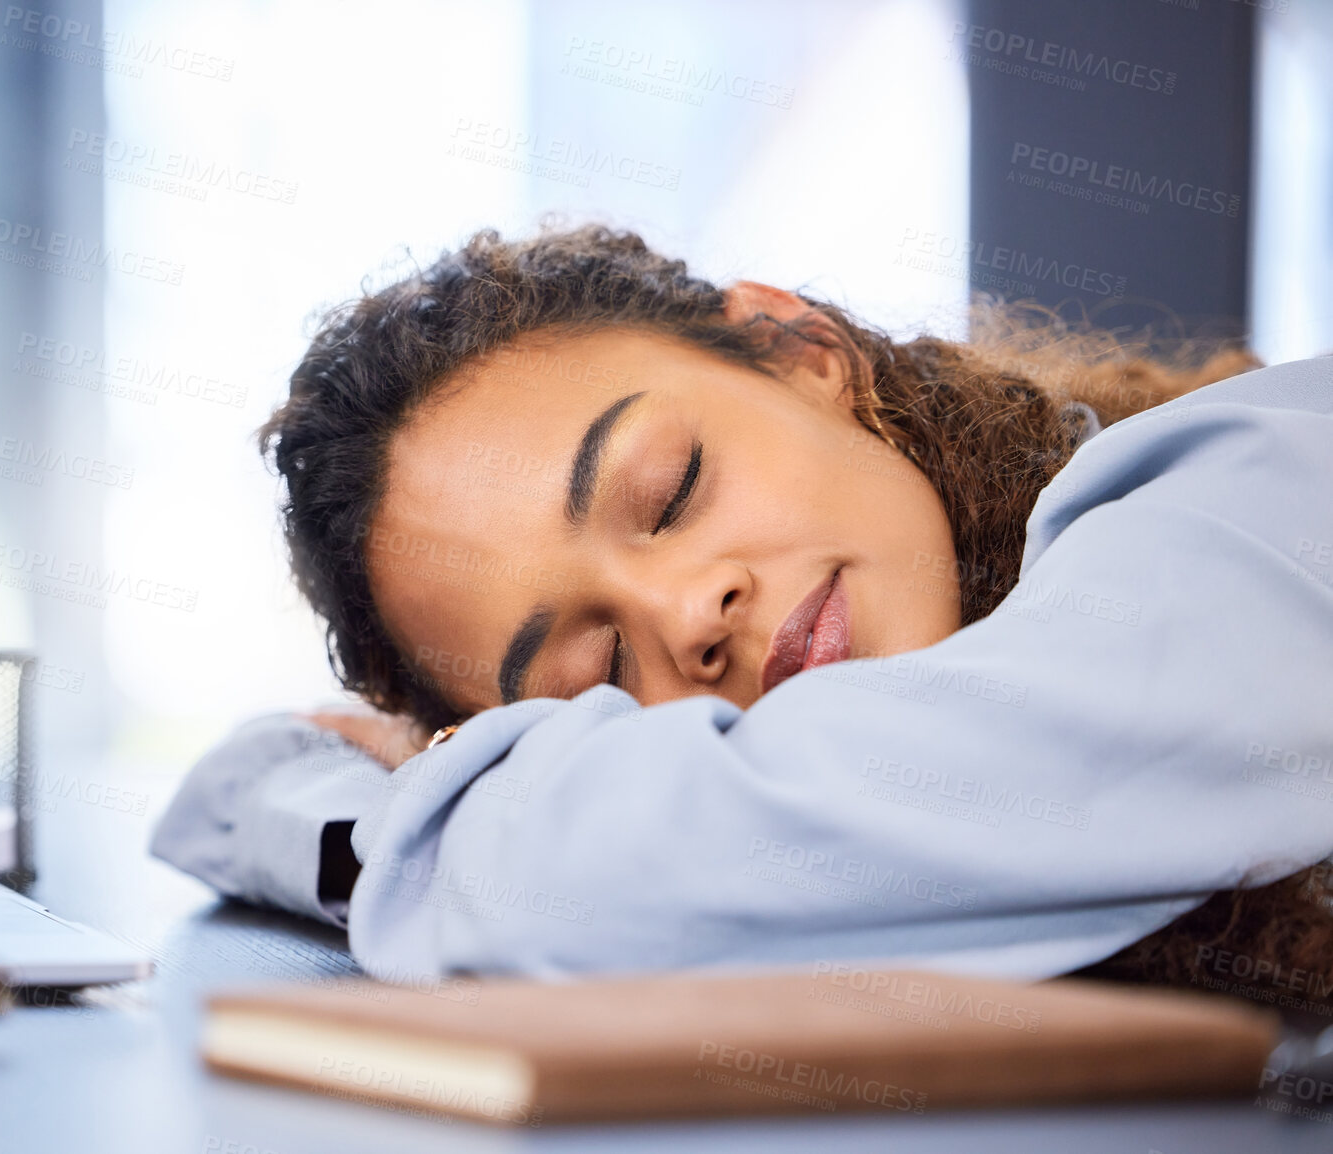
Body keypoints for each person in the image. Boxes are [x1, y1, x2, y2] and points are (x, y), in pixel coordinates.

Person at [153, 226, 1333, 1007]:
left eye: (670, 494)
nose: (688, 615)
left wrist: (425, 816)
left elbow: (615, 869)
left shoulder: (1255, 493)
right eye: (595, 666)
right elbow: (243, 773)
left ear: (799, 349)